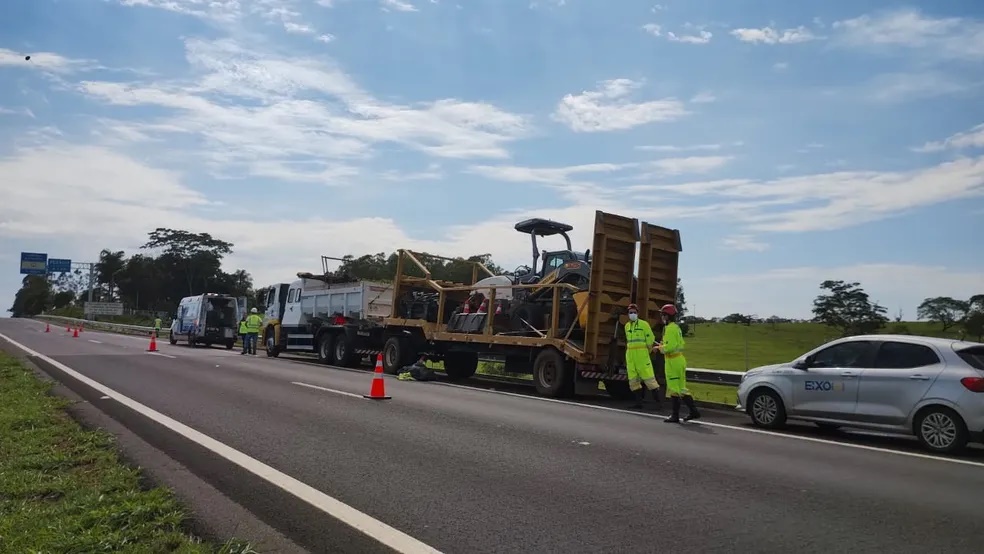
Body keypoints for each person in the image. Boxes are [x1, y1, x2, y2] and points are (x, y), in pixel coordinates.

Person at [655, 303, 700, 423]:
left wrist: (659, 348)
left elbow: (669, 347)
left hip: (672, 361)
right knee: (681, 388)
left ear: (668, 316)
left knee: (674, 388)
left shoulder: (669, 329)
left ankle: (675, 415)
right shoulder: (676, 327)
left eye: (663, 315)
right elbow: (678, 344)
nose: (662, 317)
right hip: (679, 359)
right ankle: (693, 411)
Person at [623, 303, 661, 409]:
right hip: (631, 356)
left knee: (649, 379)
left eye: (634, 312)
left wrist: (648, 350)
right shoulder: (627, 326)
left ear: (638, 313)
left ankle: (658, 403)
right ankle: (638, 403)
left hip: (642, 355)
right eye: (630, 313)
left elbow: (650, 338)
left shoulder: (644, 325)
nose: (632, 314)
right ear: (628, 314)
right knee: (633, 380)